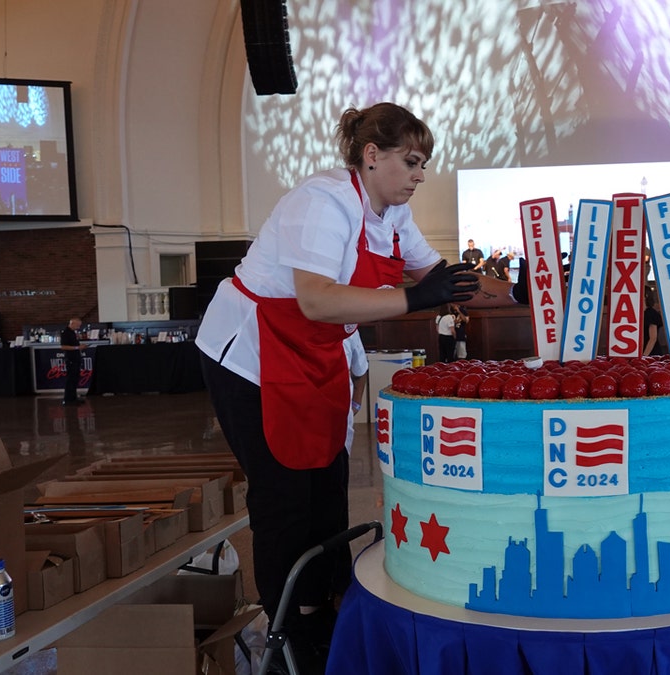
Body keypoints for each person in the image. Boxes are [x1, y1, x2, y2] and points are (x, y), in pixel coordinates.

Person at [195, 102, 524, 673]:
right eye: (412, 161)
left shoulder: (391, 213)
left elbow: (444, 280)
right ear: (372, 155)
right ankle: (287, 638)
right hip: (253, 356)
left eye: (424, 164)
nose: (421, 175)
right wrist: (413, 298)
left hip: (315, 358)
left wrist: (533, 290)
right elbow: (317, 299)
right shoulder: (321, 202)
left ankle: (327, 615)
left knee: (327, 490)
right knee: (284, 501)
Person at [60, 317, 85, 405]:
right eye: (78, 325)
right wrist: (77, 347)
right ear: (72, 323)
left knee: (74, 379)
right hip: (71, 359)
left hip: (75, 358)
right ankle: (68, 399)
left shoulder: (72, 333)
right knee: (71, 379)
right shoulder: (66, 333)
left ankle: (73, 397)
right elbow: (63, 347)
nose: (78, 327)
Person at [642, 285, 666, 356]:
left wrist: (644, 356)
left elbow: (653, 338)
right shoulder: (637, 313)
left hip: (651, 353)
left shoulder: (650, 313)